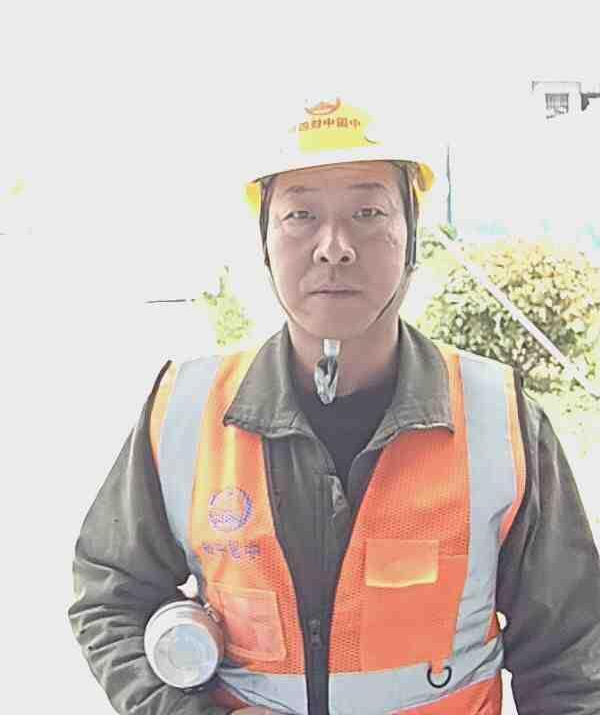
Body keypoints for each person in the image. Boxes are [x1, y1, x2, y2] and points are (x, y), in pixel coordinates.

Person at [69, 95, 600, 715]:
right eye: (300, 215)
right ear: (265, 242)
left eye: (368, 211)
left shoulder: (499, 422)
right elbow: (110, 597)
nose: (334, 247)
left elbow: (573, 657)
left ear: (411, 235)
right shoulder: (184, 413)